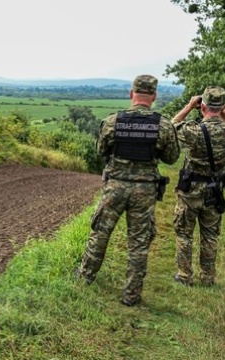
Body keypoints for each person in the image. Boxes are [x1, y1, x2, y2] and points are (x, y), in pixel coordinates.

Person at [74, 74, 180, 307]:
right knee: (139, 242)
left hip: (115, 188)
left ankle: (84, 278)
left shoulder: (113, 122)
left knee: (100, 232)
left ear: (131, 94)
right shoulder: (162, 125)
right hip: (144, 191)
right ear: (154, 96)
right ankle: (131, 295)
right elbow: (171, 158)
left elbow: (101, 150)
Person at [171, 86, 225, 287]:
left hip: (190, 191)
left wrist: (188, 106)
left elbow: (171, 126)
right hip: (214, 191)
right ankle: (208, 277)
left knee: (184, 233)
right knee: (210, 235)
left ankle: (184, 276)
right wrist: (222, 111)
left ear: (201, 106)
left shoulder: (193, 131)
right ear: (223, 107)